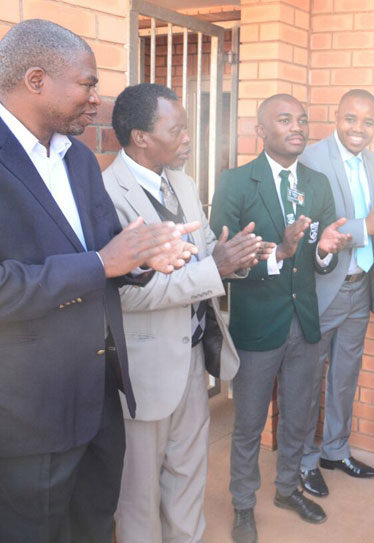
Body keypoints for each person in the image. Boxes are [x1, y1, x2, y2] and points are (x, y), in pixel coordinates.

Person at [0, 20, 196, 543]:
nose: (96, 97)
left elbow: (111, 251)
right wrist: (102, 264)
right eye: (87, 83)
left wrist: (149, 254)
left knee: (92, 526)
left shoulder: (79, 159)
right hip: (27, 415)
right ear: (36, 79)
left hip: (99, 400)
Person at [103, 83, 272, 543]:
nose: (187, 139)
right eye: (175, 129)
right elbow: (125, 295)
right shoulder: (107, 194)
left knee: (188, 484)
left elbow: (199, 259)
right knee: (139, 501)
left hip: (194, 363)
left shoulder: (181, 182)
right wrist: (214, 268)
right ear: (140, 136)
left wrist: (231, 256)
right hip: (143, 372)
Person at [210, 93, 352, 542]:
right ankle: (243, 505)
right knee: (249, 423)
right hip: (256, 324)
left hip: (304, 323)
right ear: (260, 131)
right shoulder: (235, 183)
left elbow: (323, 255)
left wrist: (326, 253)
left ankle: (288, 488)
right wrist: (282, 253)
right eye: (285, 119)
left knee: (298, 415)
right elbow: (224, 260)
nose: (297, 127)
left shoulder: (318, 183)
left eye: (303, 120)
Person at [297, 89, 374, 497]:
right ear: (336, 118)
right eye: (350, 119)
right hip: (323, 289)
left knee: (345, 377)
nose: (358, 129)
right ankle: (304, 461)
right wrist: (368, 225)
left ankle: (335, 450)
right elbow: (313, 233)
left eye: (368, 122)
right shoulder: (311, 160)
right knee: (308, 380)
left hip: (360, 288)